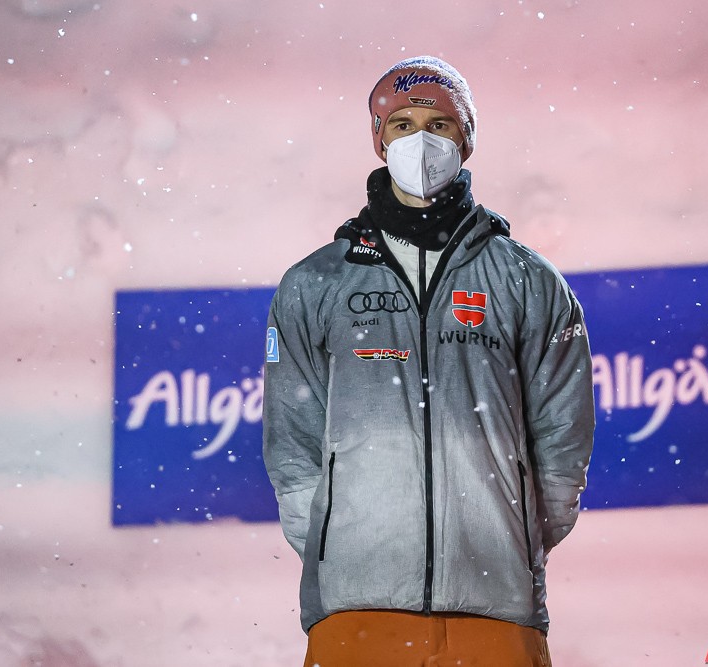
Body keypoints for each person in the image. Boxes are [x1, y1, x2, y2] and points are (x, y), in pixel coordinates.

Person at [262, 55, 595, 667]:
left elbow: (562, 441)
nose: (421, 141)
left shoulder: (528, 281)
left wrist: (506, 539)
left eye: (439, 125)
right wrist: (345, 549)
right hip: (355, 608)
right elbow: (293, 447)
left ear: (466, 139)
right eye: (403, 124)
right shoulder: (315, 283)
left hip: (496, 604)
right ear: (379, 138)